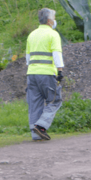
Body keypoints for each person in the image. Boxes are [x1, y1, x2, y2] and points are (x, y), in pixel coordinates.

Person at [25, 8, 64, 141]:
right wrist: (60, 71)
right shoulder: (53, 34)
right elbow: (56, 54)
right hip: (47, 73)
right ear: (49, 20)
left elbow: (27, 58)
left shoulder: (32, 35)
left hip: (31, 73)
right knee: (54, 100)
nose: (54, 20)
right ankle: (41, 126)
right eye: (54, 18)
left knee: (34, 103)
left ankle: (35, 134)